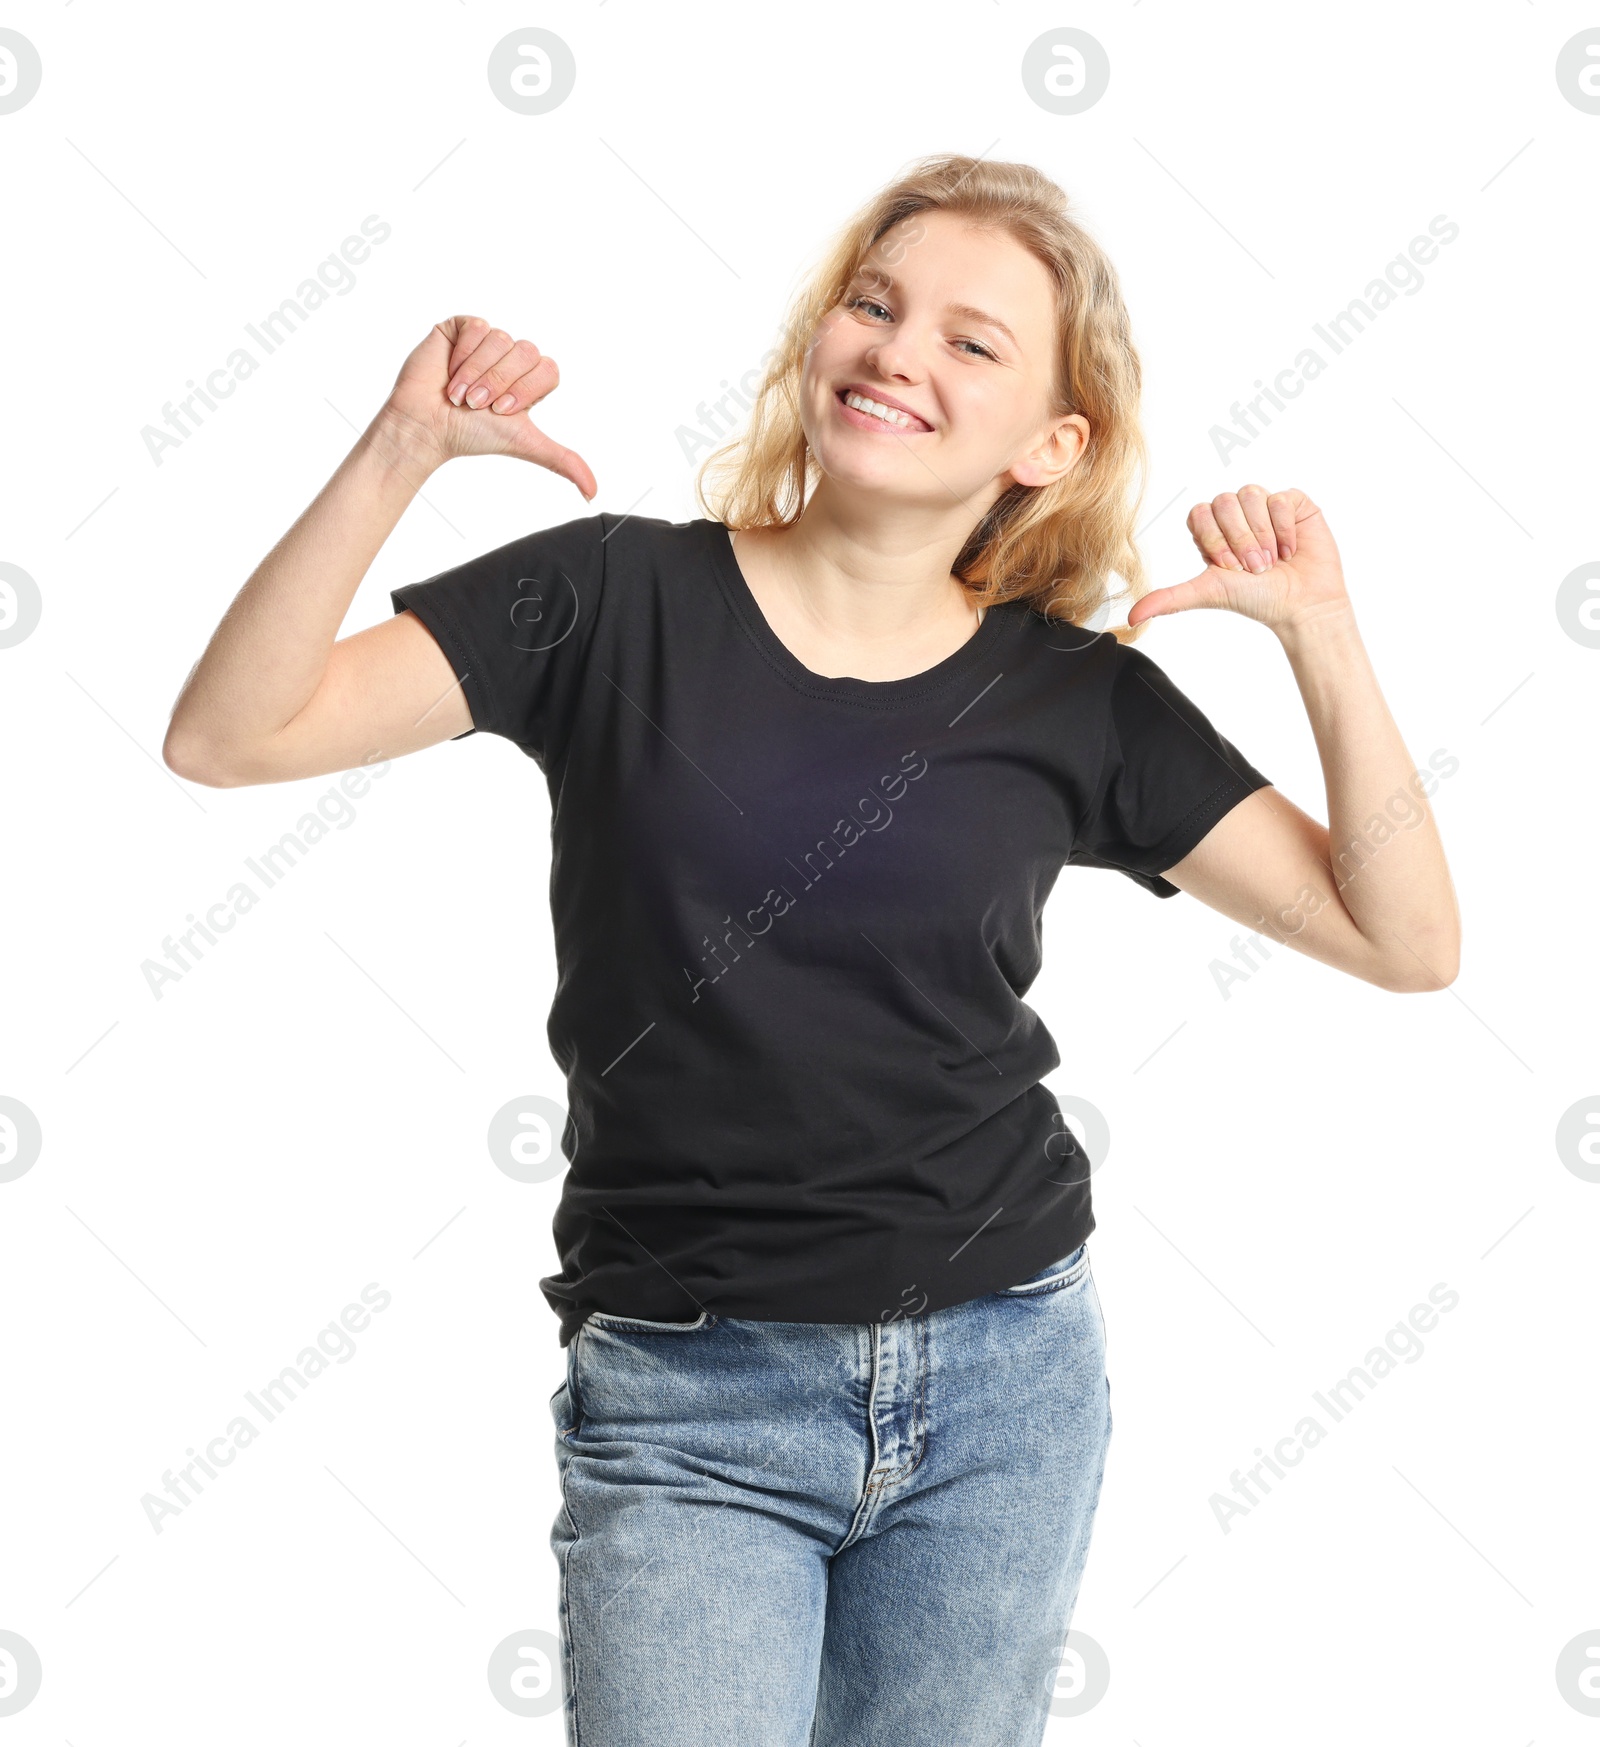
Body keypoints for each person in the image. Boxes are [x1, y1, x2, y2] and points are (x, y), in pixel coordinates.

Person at [162, 153, 1460, 1746]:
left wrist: (1322, 634)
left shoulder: (1077, 697)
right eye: (874, 301)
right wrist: (399, 453)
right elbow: (228, 737)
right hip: (690, 1398)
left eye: (973, 342)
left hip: (1005, 1385)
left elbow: (1405, 940)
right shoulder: (609, 598)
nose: (899, 351)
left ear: (1053, 445)